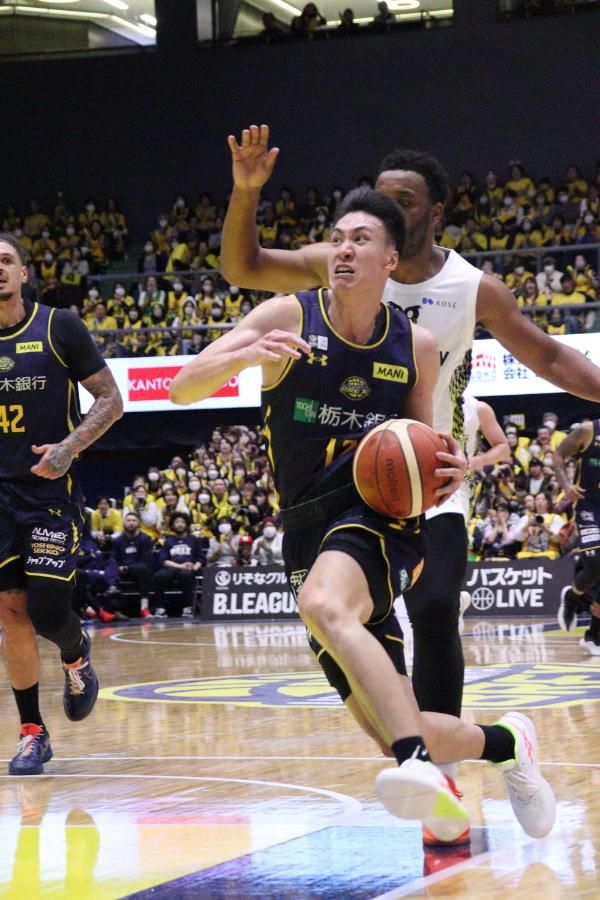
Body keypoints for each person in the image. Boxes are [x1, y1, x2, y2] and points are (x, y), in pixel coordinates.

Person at [219, 125, 600, 843]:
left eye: (404, 200)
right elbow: (243, 266)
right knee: (379, 707)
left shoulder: (472, 287)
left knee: (433, 605)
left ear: (435, 213)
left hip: (429, 475)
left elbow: (549, 356)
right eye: (380, 197)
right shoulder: (344, 260)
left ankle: (435, 778)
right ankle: (497, 744)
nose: (386, 210)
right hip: (337, 488)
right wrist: (246, 193)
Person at [0, 233, 123, 775]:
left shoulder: (58, 327)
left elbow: (111, 399)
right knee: (10, 612)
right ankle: (33, 732)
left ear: (24, 273)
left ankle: (76, 656)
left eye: (6, 260)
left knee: (48, 611)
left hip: (47, 492)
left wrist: (70, 446)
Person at [554, 420, 600, 654]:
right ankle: (572, 597)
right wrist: (565, 485)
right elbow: (558, 455)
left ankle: (594, 637)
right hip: (589, 507)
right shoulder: (588, 430)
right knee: (595, 564)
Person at [152, 512, 205, 618]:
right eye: (177, 522)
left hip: (189, 568)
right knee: (159, 576)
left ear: (187, 524)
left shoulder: (193, 539)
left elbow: (201, 558)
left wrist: (195, 567)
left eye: (182, 522)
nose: (180, 524)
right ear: (172, 525)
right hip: (172, 567)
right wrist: (180, 566)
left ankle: (188, 607)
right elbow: (164, 560)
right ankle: (160, 608)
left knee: (186, 575)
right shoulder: (168, 540)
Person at [110, 511, 155, 618]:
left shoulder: (145, 539)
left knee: (144, 570)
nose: (131, 523)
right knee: (110, 571)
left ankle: (144, 607)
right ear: (124, 523)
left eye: (134, 521)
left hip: (138, 571)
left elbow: (146, 561)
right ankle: (114, 610)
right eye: (129, 520)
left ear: (138, 523)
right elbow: (114, 559)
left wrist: (128, 567)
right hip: (121, 571)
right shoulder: (117, 541)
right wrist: (119, 567)